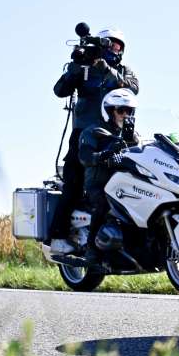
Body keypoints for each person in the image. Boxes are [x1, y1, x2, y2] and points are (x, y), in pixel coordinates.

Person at [48, 27, 139, 250]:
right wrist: (76, 67)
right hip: (84, 135)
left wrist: (105, 68)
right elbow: (60, 90)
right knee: (73, 184)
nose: (112, 48)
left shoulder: (124, 70)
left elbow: (133, 89)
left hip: (116, 135)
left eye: (117, 45)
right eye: (108, 43)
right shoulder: (85, 66)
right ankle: (58, 238)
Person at [55, 88, 141, 255]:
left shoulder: (133, 136)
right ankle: (92, 250)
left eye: (129, 111)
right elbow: (85, 157)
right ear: (109, 111)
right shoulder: (93, 131)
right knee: (103, 203)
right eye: (121, 110)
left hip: (123, 183)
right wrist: (105, 154)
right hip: (98, 184)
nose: (125, 114)